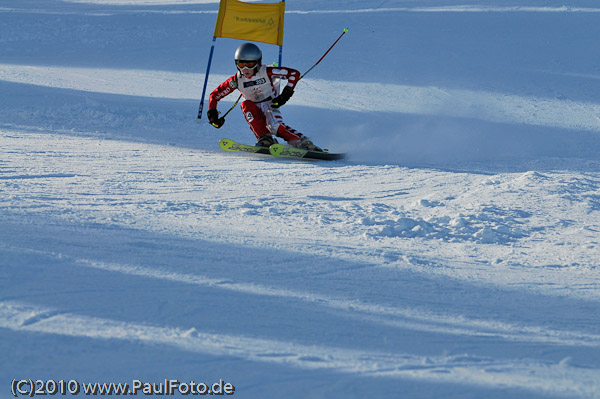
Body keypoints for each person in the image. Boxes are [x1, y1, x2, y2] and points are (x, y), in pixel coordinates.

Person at [207, 42, 319, 150]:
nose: (245, 69)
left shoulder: (267, 71)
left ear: (258, 62)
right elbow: (215, 95)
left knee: (275, 126)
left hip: (270, 104)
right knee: (245, 105)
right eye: (241, 64)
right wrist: (212, 113)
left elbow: (294, 74)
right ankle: (265, 139)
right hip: (253, 106)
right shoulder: (236, 80)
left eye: (250, 64)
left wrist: (286, 94)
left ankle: (302, 142)